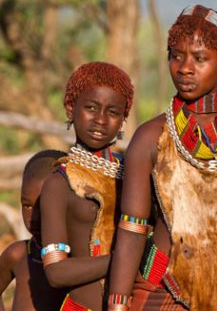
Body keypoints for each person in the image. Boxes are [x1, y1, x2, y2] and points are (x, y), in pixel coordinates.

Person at [107, 5, 217, 311]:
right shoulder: (151, 138)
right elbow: (132, 229)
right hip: (164, 291)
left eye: (200, 58)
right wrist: (118, 304)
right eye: (176, 56)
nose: (184, 68)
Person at [40, 62, 134, 310]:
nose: (101, 120)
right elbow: (56, 272)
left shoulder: (135, 174)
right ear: (71, 108)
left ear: (123, 120)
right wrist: (125, 258)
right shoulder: (59, 184)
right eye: (91, 108)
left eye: (113, 112)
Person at [0, 150, 68, 310]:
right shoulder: (18, 255)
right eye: (27, 205)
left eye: (44, 205)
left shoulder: (80, 257)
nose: (34, 217)